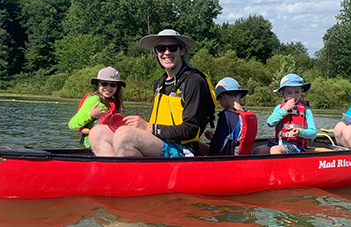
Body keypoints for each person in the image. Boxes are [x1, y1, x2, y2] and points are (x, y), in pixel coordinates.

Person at [88, 29, 216, 157]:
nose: (166, 52)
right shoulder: (160, 83)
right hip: (160, 142)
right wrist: (142, 125)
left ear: (182, 50)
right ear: (156, 52)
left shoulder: (194, 81)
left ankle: (134, 175)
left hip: (184, 150)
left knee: (125, 136)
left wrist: (149, 127)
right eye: (161, 48)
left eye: (172, 48)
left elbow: (191, 130)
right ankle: (117, 174)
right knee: (97, 133)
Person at [252, 74, 317, 154]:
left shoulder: (306, 110)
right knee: (258, 150)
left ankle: (278, 166)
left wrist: (300, 132)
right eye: (289, 93)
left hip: (297, 146)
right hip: (278, 142)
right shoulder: (279, 108)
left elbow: (313, 133)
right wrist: (285, 109)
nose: (293, 96)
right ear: (283, 93)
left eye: (297, 92)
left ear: (301, 91)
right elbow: (270, 122)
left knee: (275, 150)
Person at [68, 66, 125, 148]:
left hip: (108, 143)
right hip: (94, 145)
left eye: (113, 85)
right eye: (104, 83)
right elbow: (72, 124)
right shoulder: (94, 100)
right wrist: (90, 115)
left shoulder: (113, 103)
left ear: (117, 87)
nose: (108, 88)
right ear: (98, 85)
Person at [204, 77, 258, 156]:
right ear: (239, 96)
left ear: (222, 96)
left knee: (198, 146)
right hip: (243, 159)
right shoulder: (249, 116)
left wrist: (211, 137)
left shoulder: (226, 115)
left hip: (227, 161)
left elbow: (217, 147)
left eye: (219, 99)